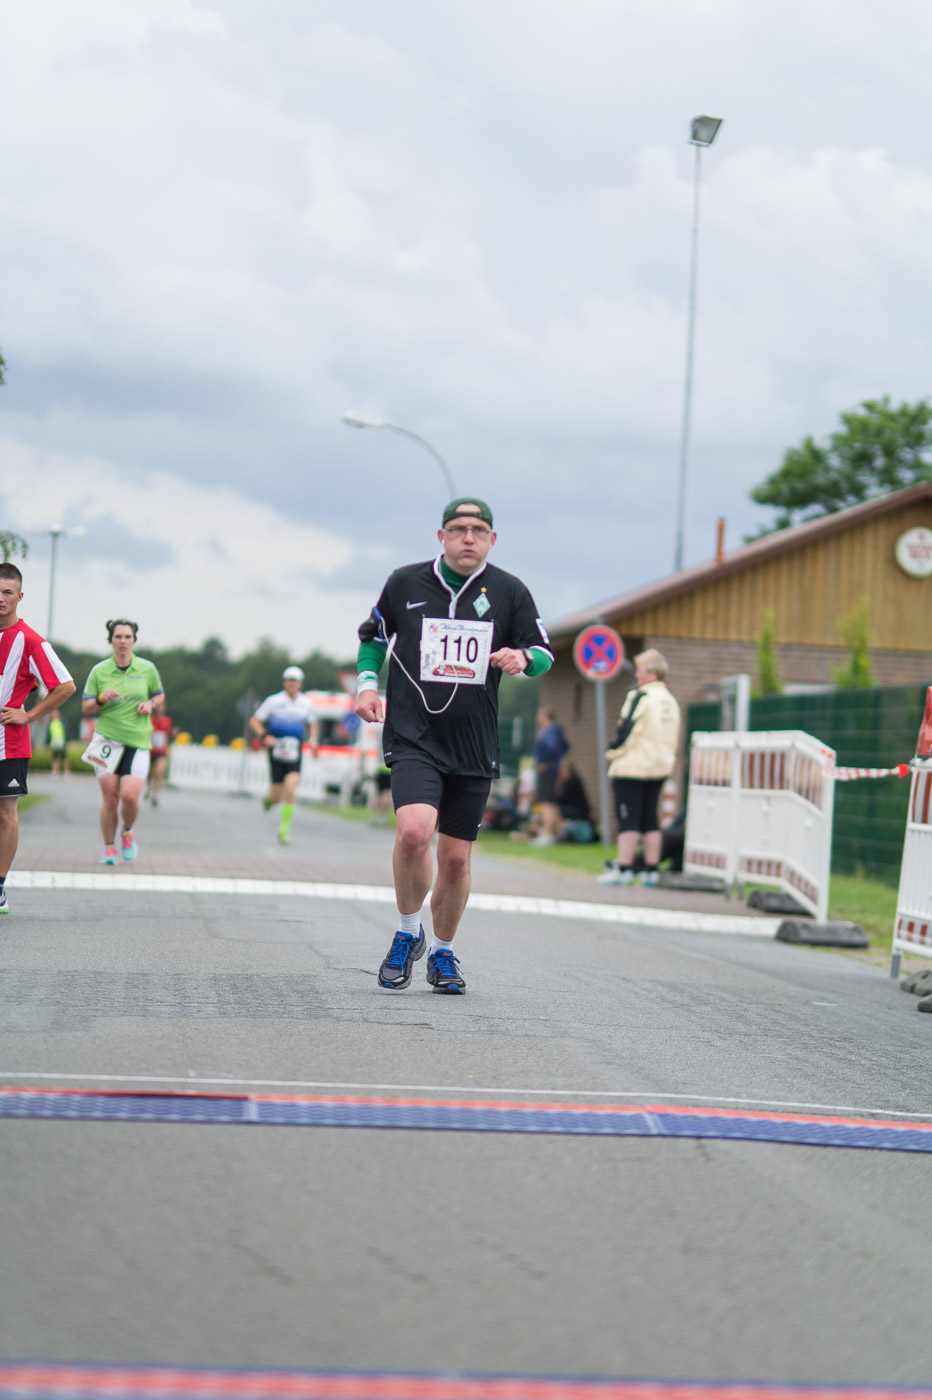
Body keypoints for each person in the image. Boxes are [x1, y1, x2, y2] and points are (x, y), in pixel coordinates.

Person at [355, 496, 554, 994]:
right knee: (413, 832)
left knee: (456, 859)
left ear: (492, 539)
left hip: (473, 742)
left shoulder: (510, 591)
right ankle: (407, 933)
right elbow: (373, 637)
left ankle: (443, 951)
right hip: (413, 734)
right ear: (441, 536)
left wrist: (523, 658)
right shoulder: (405, 582)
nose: (468, 538)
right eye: (459, 529)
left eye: (478, 530)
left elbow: (544, 653)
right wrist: (367, 685)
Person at [0, 564, 76, 914]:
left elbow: (65, 686)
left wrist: (28, 715)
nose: (1, 599)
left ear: (19, 596)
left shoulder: (30, 640)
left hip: (10, 741)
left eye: (7, 593)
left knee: (5, 815)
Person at [82, 619, 165, 865]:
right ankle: (109, 848)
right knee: (110, 797)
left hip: (137, 742)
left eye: (127, 637)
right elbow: (86, 708)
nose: (122, 641)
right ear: (111, 640)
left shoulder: (147, 668)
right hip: (106, 741)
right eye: (118, 636)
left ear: (134, 641)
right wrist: (100, 699)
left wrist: (151, 704)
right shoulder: (99, 671)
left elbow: (159, 695)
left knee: (129, 796)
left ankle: (127, 832)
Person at [598, 648, 681, 887]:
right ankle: (651, 870)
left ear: (652, 673)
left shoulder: (640, 696)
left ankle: (624, 868)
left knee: (628, 818)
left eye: (641, 670)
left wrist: (612, 752)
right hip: (659, 766)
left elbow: (627, 728)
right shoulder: (670, 700)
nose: (637, 675)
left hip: (633, 766)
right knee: (650, 818)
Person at [249, 666, 319, 845]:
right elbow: (255, 720)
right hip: (277, 751)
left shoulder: (306, 703)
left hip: (295, 752)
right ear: (284, 682)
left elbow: (312, 723)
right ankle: (269, 798)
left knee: (291, 789)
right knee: (276, 797)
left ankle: (284, 829)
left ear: (300, 683)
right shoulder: (273, 701)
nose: (292, 684)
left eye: (295, 681)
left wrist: (313, 739)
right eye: (289, 680)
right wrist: (264, 736)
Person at [533, 706, 569, 844]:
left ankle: (549, 833)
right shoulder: (555, 730)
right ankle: (560, 831)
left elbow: (552, 747)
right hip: (553, 768)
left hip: (548, 769)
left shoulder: (550, 730)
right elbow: (565, 746)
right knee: (552, 801)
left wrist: (545, 762)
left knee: (546, 801)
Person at [145, 711, 176, 806]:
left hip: (162, 751)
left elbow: (170, 732)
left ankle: (155, 795)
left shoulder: (167, 720)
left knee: (159, 772)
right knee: (150, 774)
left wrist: (173, 733)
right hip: (150, 750)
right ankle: (149, 787)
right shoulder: (150, 719)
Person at [48, 709, 69, 775]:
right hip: (54, 742)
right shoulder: (51, 723)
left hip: (62, 741)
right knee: (54, 758)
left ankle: (67, 771)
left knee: (64, 757)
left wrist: (68, 740)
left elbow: (67, 731)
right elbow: (48, 733)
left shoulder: (62, 721)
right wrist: (47, 742)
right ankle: (55, 771)